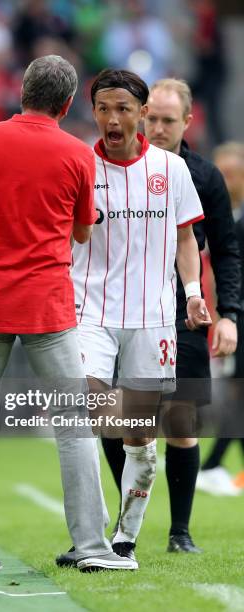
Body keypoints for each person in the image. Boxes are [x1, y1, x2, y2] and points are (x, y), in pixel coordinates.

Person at [0, 55, 137, 576]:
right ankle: (92, 546)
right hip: (47, 307)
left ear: (22, 92)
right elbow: (83, 233)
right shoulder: (78, 154)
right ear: (67, 103)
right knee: (73, 427)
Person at [56, 69, 211, 569]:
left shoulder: (172, 170)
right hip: (90, 314)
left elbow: (187, 240)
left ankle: (123, 539)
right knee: (91, 414)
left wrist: (192, 293)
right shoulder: (78, 164)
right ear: (94, 112)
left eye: (124, 108)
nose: (113, 118)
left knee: (140, 435)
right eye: (104, 108)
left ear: (141, 114)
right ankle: (91, 534)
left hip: (152, 318)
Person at [100, 78, 241, 553]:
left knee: (181, 423)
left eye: (167, 120)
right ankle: (124, 531)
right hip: (116, 313)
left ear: (187, 121)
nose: (156, 128)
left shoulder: (201, 175)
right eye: (151, 117)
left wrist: (231, 314)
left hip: (181, 317)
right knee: (114, 421)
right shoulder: (111, 166)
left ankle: (180, 532)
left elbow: (225, 250)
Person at [196, 141, 244, 495]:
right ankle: (213, 466)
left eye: (230, 174)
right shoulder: (218, 215)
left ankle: (211, 465)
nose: (223, 181)